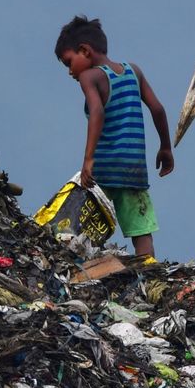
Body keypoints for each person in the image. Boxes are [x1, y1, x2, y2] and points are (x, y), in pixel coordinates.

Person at [54, 15, 174, 257]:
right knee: (141, 232)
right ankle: (148, 273)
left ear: (84, 51)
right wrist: (165, 147)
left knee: (84, 223)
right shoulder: (134, 72)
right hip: (134, 169)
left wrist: (88, 160)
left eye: (69, 62)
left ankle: (82, 265)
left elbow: (97, 111)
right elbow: (158, 109)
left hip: (103, 170)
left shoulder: (90, 77)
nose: (69, 72)